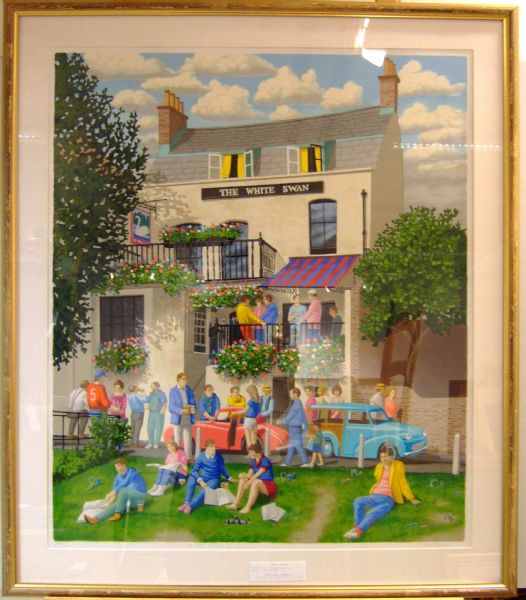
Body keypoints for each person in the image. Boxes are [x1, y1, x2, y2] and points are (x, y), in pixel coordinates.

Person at [343, 445, 421, 540]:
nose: (383, 459)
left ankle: (358, 532)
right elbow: (378, 480)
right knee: (358, 501)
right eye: (381, 457)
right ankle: (356, 527)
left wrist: (411, 498)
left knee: (372, 513)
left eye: (385, 456)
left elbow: (402, 482)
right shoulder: (379, 466)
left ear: (391, 456)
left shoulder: (398, 465)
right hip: (375, 495)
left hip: (388, 498)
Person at [177, 439, 233, 515]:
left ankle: (190, 506)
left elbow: (222, 468)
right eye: (211, 447)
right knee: (191, 479)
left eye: (214, 447)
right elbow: (194, 470)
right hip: (203, 477)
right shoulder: (202, 456)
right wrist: (200, 480)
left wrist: (229, 478)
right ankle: (186, 503)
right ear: (206, 448)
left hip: (214, 479)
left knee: (205, 490)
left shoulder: (218, 455)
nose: (214, 449)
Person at [84, 458, 147, 524]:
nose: (117, 469)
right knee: (117, 504)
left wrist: (114, 492)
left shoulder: (132, 472)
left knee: (123, 490)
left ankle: (118, 514)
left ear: (124, 465)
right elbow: (114, 488)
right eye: (116, 468)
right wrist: (111, 500)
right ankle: (96, 519)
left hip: (140, 496)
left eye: (119, 467)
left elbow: (124, 483)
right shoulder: (118, 476)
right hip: (132, 501)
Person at [227, 444, 277, 513]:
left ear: (257, 451)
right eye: (249, 452)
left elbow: (258, 474)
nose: (250, 454)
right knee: (242, 480)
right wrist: (243, 475)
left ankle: (248, 507)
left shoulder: (265, 460)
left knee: (255, 481)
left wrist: (249, 482)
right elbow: (249, 475)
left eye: (252, 452)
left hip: (268, 485)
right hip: (257, 482)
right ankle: (235, 504)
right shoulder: (253, 461)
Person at [169, 372, 196, 459]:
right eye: (183, 379)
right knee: (177, 440)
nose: (185, 381)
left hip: (188, 418)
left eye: (186, 379)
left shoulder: (188, 390)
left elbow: (192, 402)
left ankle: (188, 458)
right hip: (178, 418)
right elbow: (171, 407)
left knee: (188, 440)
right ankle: (175, 458)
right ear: (178, 380)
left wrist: (193, 408)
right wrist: (181, 411)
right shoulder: (173, 391)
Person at [279, 388, 309, 467]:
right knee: (291, 445)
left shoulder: (297, 404)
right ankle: (287, 462)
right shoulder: (297, 403)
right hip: (294, 426)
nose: (290, 395)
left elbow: (291, 415)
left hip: (295, 427)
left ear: (296, 394)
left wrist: (282, 421)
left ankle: (305, 462)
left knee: (298, 444)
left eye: (291, 394)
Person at [145, 381, 167, 449]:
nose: (151, 387)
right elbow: (147, 401)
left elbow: (164, 403)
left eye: (153, 386)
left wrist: (163, 410)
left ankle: (156, 443)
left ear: (157, 386)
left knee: (158, 429)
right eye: (151, 386)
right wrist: (148, 406)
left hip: (159, 413)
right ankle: (150, 443)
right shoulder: (151, 394)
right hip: (151, 413)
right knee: (150, 428)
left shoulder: (161, 394)